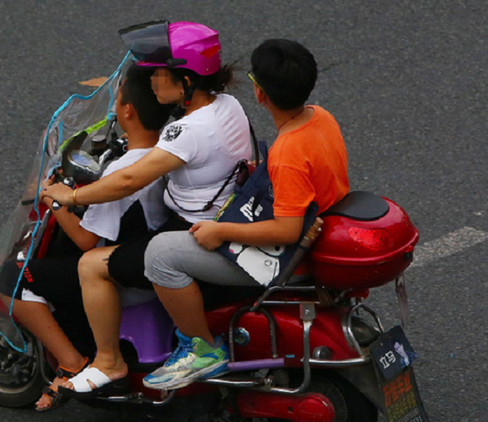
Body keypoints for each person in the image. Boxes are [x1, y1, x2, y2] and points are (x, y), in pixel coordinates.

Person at [45, 21, 253, 395]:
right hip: (225, 215)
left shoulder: (186, 131)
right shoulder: (229, 105)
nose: (154, 80)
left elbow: (128, 180)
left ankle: (111, 360)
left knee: (92, 264)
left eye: (160, 73)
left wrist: (71, 197)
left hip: (192, 234)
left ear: (185, 82)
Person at [140, 39, 351, 389]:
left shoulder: (287, 152)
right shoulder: (320, 118)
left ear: (260, 93)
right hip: (317, 232)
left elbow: (286, 230)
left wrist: (221, 233)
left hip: (289, 257)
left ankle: (204, 350)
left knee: (160, 254)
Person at [0, 63, 173, 410]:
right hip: (146, 258)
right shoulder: (164, 154)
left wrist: (55, 197)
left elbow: (86, 241)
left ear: (127, 110)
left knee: (12, 277)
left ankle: (72, 363)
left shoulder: (123, 172)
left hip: (116, 277)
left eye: (118, 99)